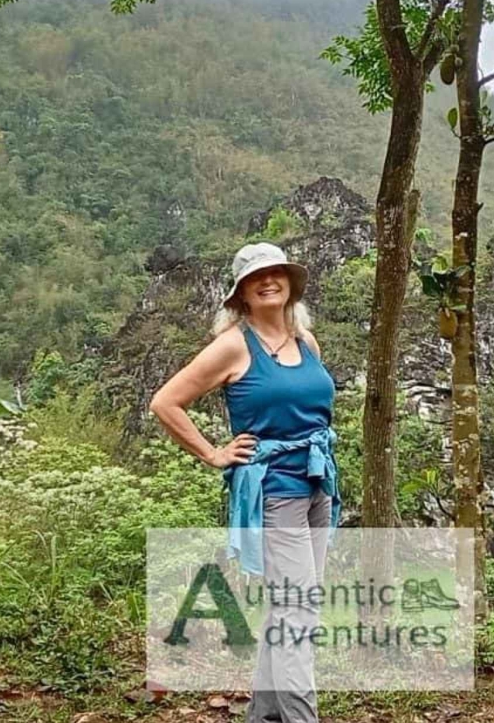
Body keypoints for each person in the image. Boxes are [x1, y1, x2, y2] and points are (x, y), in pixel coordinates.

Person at [150, 242, 339, 723]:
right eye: (256, 276)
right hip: (275, 492)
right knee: (298, 614)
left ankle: (266, 716)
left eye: (276, 272)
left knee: (291, 610)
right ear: (241, 294)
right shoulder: (235, 344)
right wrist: (214, 453)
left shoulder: (306, 342)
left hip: (318, 486)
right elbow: (166, 402)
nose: (268, 280)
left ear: (291, 282)